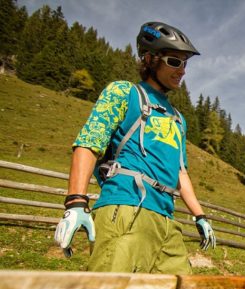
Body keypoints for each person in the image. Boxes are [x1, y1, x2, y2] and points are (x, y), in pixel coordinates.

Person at [54, 21, 215, 274]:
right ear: (150, 59)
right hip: (126, 209)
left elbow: (181, 172)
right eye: (175, 61)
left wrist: (200, 216)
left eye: (185, 63)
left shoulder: (178, 118)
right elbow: (89, 142)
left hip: (167, 222)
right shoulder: (123, 93)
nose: (182, 70)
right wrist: (76, 201)